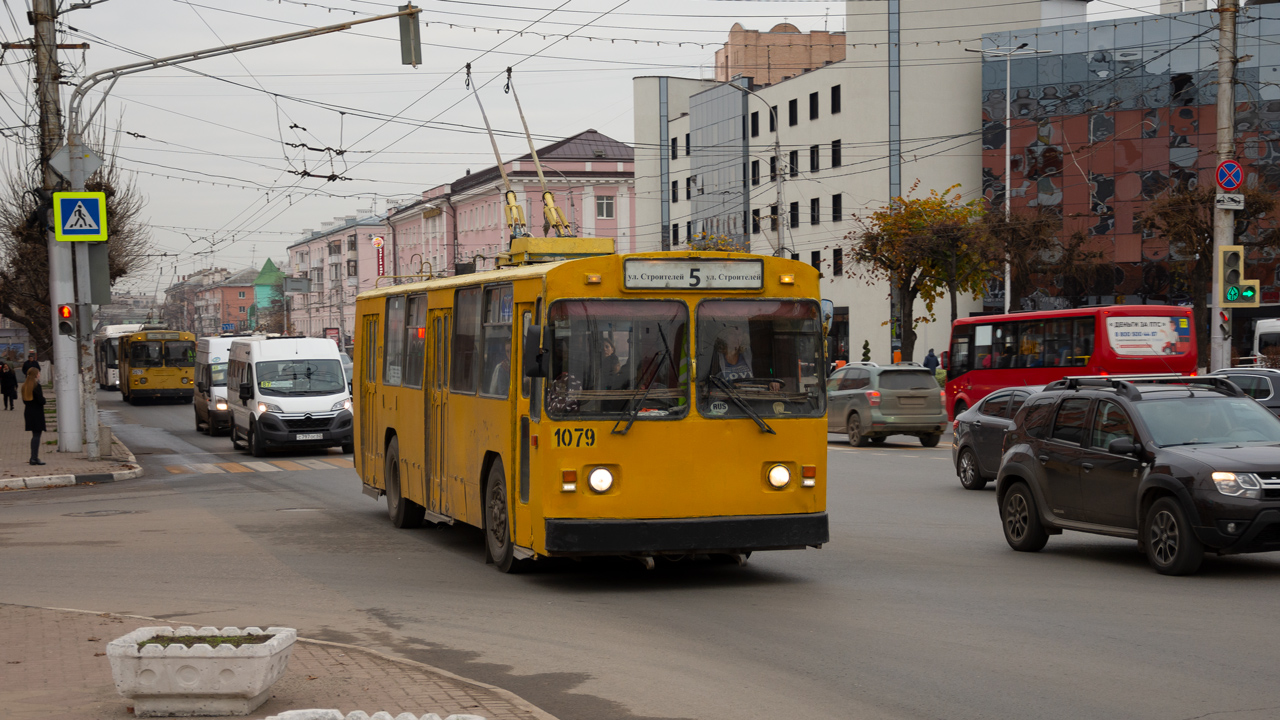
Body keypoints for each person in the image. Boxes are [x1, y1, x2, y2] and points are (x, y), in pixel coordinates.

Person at [22, 367, 46, 465]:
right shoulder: (36, 386)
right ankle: (34, 458)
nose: (39, 374)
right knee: (37, 435)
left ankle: (33, 457)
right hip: (37, 412)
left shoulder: (24, 386)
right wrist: (44, 399)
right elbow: (41, 400)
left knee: (34, 435)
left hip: (28, 412)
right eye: (38, 373)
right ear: (35, 375)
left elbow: (24, 401)